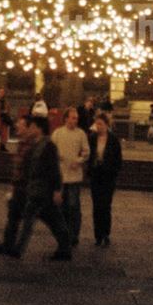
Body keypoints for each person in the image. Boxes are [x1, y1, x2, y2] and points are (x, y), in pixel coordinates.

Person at [11, 114, 72, 261]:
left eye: (32, 127)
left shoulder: (48, 146)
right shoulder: (36, 145)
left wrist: (57, 190)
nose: (29, 129)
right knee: (52, 221)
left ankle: (19, 250)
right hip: (37, 190)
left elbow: (54, 169)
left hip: (44, 191)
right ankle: (65, 249)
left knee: (45, 220)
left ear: (39, 129)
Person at [0, 115, 32, 255]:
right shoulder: (22, 143)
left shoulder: (31, 145)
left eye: (20, 124)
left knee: (46, 218)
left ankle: (64, 244)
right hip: (20, 186)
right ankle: (8, 244)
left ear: (27, 128)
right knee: (13, 217)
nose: (16, 126)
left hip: (27, 188)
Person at [52, 106, 89, 247]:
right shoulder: (58, 133)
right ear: (66, 118)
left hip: (74, 177)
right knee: (61, 208)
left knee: (73, 206)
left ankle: (74, 235)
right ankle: (63, 234)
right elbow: (52, 150)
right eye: (73, 118)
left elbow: (86, 151)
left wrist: (78, 160)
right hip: (61, 177)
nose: (75, 120)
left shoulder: (81, 134)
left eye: (77, 118)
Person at [88, 112, 122, 247]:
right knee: (96, 206)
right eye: (97, 124)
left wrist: (114, 173)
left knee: (106, 206)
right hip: (96, 175)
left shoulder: (113, 140)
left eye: (100, 124)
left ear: (106, 125)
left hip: (108, 177)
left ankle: (106, 233)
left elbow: (118, 159)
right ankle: (97, 235)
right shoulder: (92, 138)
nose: (98, 126)